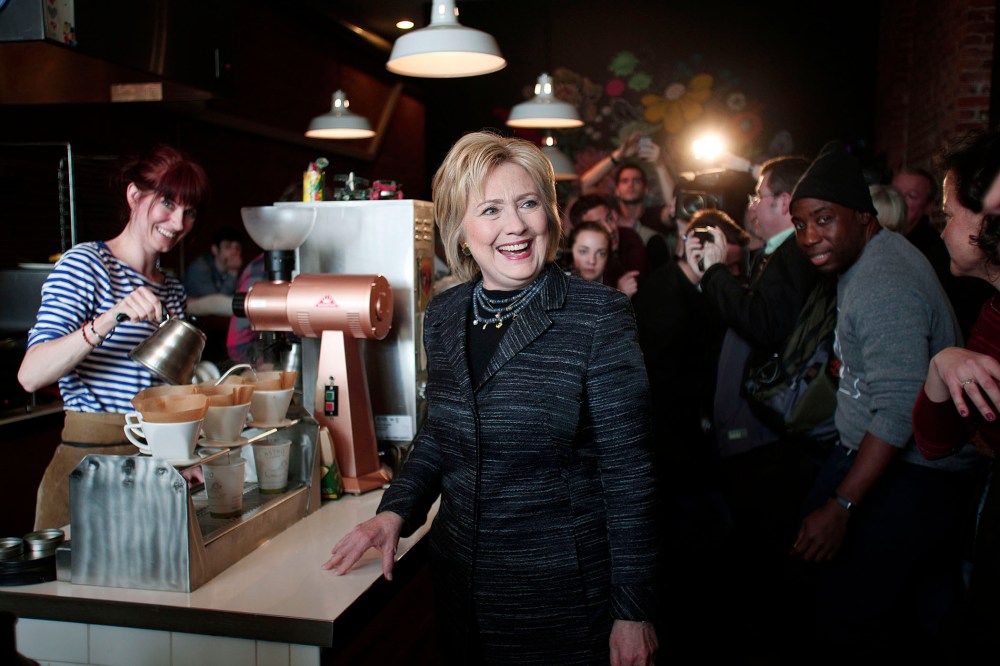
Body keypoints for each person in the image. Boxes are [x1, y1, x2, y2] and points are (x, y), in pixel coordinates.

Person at [322, 131, 658, 666]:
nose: (516, 226)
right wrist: (395, 513)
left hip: (563, 599)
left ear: (550, 213)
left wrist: (633, 610)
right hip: (461, 588)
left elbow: (630, 474)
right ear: (461, 232)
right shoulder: (447, 314)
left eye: (528, 204)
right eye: (491, 210)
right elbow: (442, 432)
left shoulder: (597, 317)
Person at [789, 141, 979, 661]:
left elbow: (898, 408)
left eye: (823, 220)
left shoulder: (882, 280)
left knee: (846, 614)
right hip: (891, 457)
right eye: (800, 224)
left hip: (914, 471)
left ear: (864, 217)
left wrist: (842, 505)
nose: (810, 237)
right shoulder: (875, 256)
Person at [18, 145, 209, 530]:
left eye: (188, 211)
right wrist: (111, 317)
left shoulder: (171, 288)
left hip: (151, 468)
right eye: (167, 204)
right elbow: (30, 375)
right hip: (88, 466)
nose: (177, 222)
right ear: (135, 196)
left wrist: (183, 455)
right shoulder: (86, 264)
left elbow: (164, 391)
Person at [911, 129, 1000, 662]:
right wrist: (941, 367)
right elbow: (937, 441)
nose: (942, 231)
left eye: (948, 215)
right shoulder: (991, 315)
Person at [894, 167, 993, 339]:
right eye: (895, 193)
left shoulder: (942, 255)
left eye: (911, 196)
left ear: (929, 206)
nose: (899, 202)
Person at [568, 193, 648, 298]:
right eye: (598, 226)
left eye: (609, 219)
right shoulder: (581, 269)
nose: (610, 230)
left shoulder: (630, 238)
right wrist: (620, 296)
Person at [183, 226, 243, 317]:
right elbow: (215, 303)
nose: (234, 252)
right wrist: (233, 273)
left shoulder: (238, 268)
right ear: (215, 249)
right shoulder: (200, 268)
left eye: (237, 248)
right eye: (228, 247)